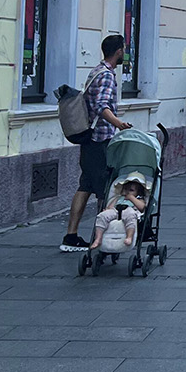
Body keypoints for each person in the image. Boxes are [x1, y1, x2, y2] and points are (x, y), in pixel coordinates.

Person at [60, 35, 134, 252]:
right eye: (123, 49)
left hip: (92, 139)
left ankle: (72, 236)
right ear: (118, 51)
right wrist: (119, 123)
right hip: (98, 140)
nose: (124, 52)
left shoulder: (96, 71)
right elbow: (101, 106)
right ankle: (102, 237)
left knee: (86, 185)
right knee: (102, 188)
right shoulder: (106, 76)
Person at [89, 179, 147, 252]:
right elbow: (110, 206)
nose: (128, 192)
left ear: (138, 193)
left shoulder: (139, 199)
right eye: (125, 189)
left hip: (129, 210)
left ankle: (129, 237)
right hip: (116, 210)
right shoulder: (119, 198)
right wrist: (107, 210)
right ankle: (98, 238)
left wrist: (131, 198)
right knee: (102, 216)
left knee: (131, 217)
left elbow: (142, 207)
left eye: (131, 190)